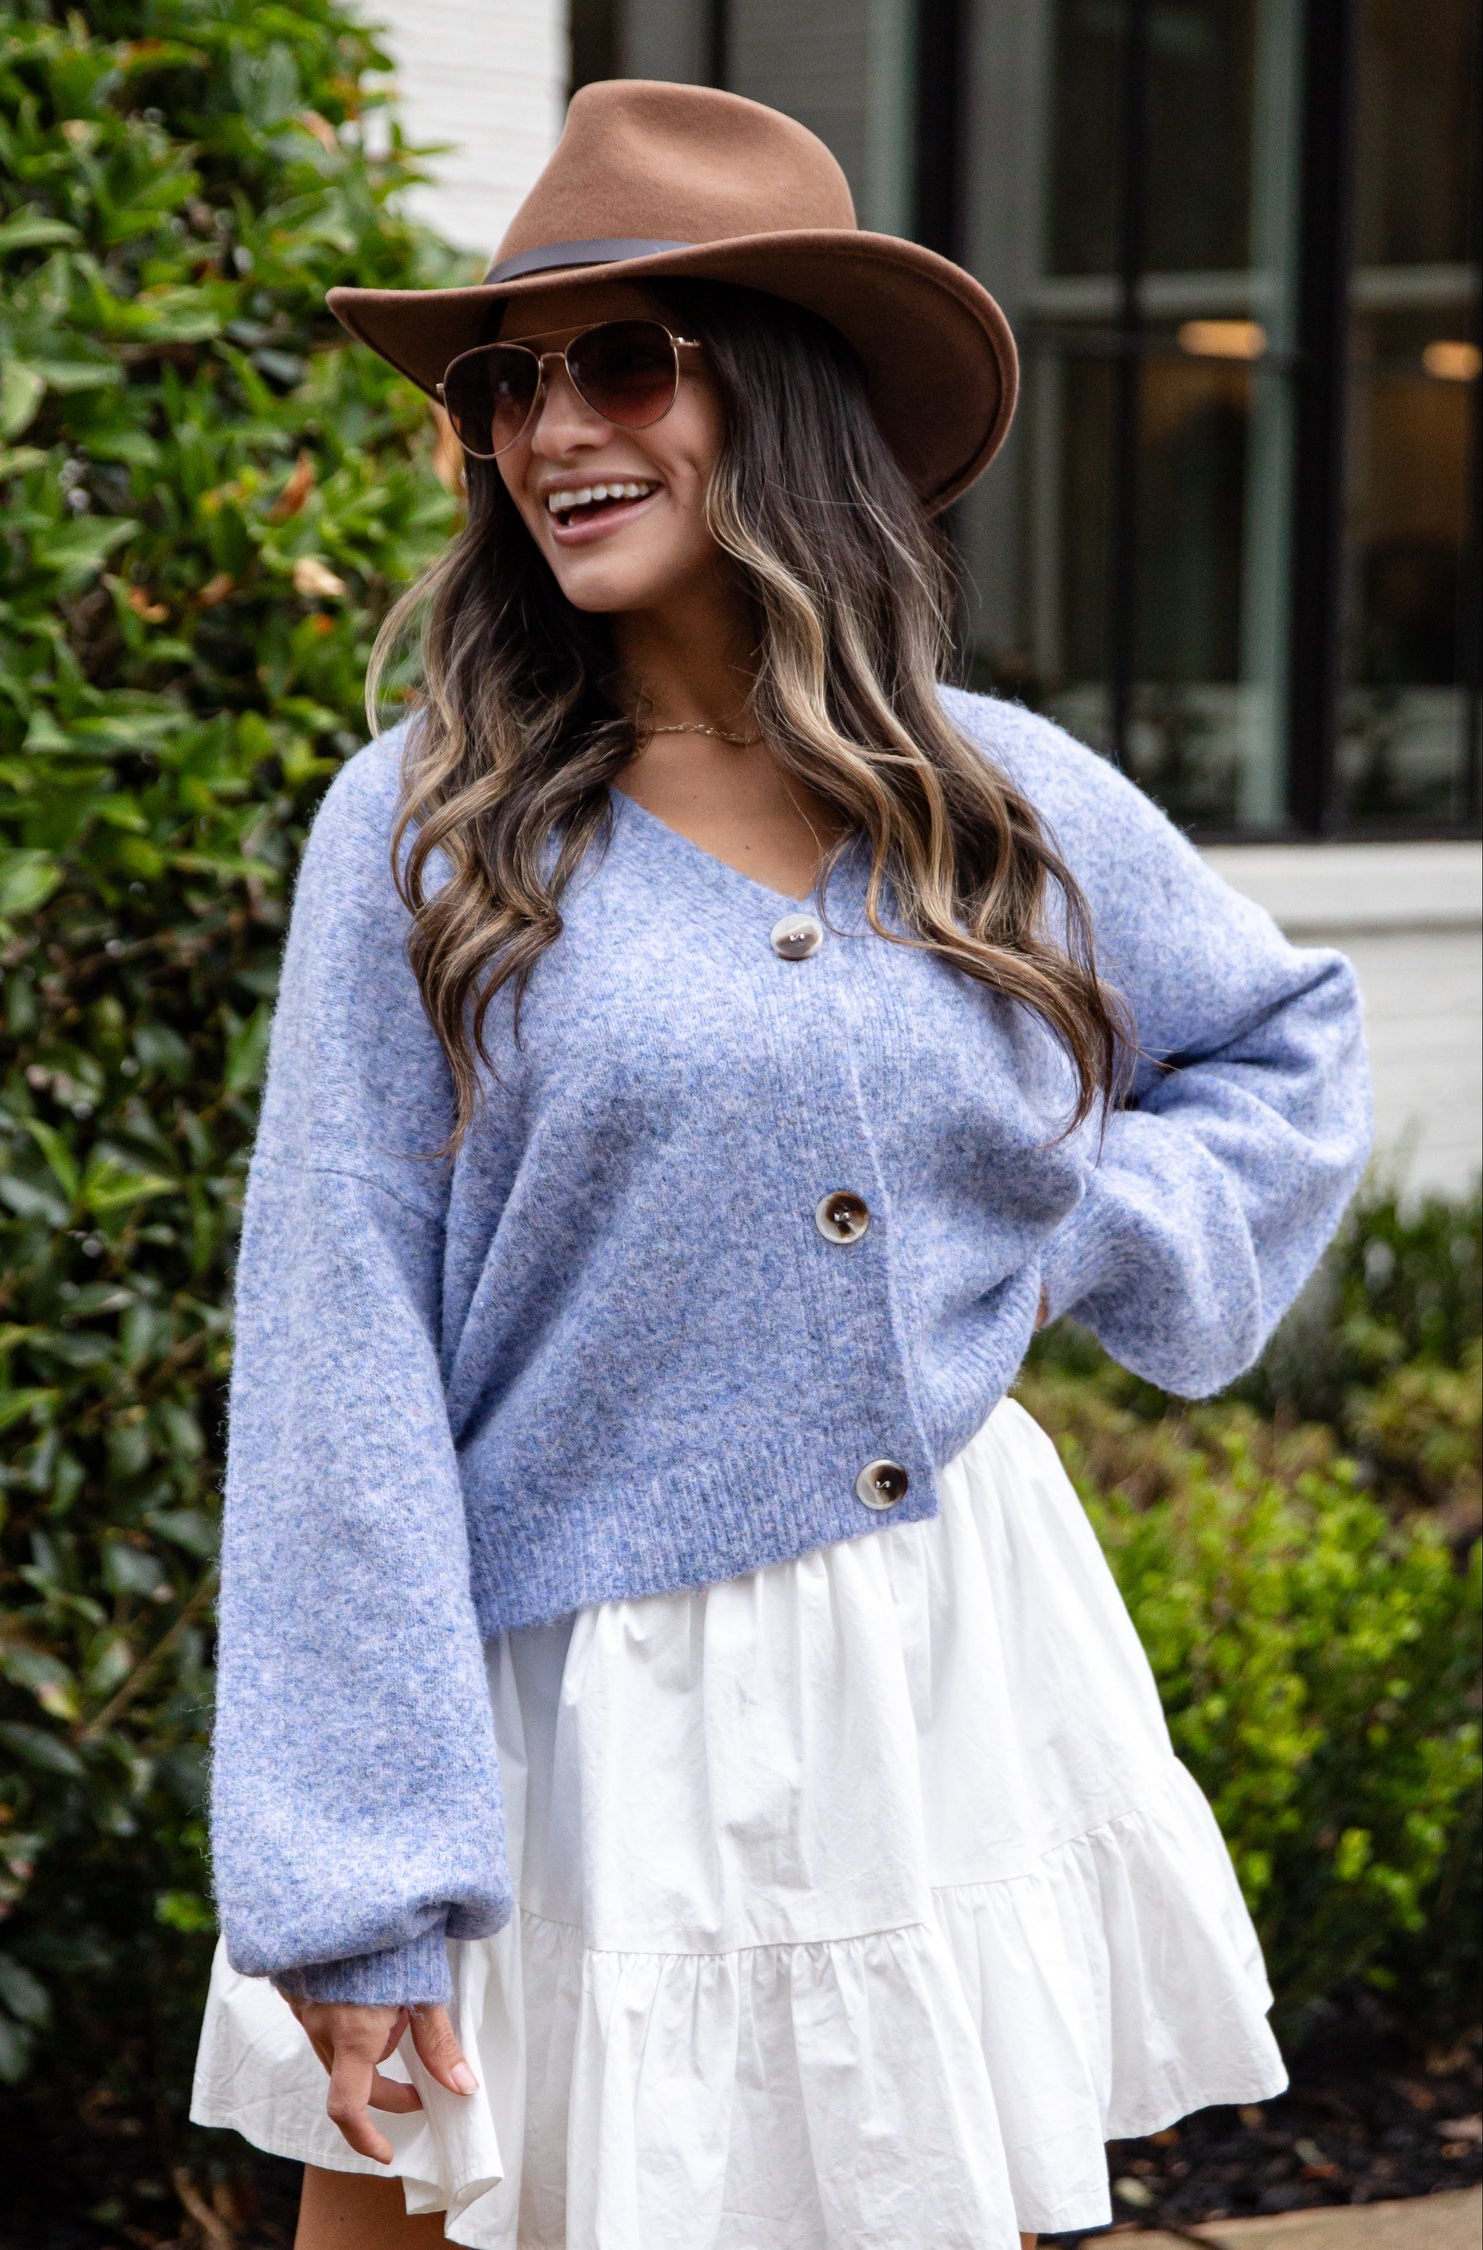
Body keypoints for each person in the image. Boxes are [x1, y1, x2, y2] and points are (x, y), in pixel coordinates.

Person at [190, 79, 1371, 2250]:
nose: (554, 429)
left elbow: (1285, 1047)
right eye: (507, 384)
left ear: (788, 397)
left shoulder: (992, 796)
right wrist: (356, 1871)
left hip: (932, 1688)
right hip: (571, 1715)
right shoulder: (434, 831)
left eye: (626, 360)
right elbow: (336, 1333)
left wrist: (1062, 1228)